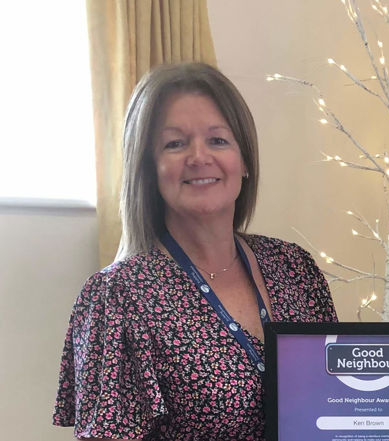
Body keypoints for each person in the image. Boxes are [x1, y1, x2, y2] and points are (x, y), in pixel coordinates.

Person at [53, 63, 337, 440]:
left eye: (218, 140)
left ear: (245, 161)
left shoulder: (294, 268)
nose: (199, 157)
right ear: (148, 169)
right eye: (175, 143)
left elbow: (338, 402)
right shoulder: (118, 297)